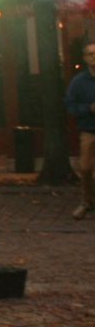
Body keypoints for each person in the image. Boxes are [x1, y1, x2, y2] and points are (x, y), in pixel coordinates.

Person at [66, 42, 95, 219]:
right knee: (85, 168)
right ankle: (87, 202)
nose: (94, 57)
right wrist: (88, 109)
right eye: (90, 54)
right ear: (85, 58)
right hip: (89, 131)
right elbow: (70, 104)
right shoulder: (78, 82)